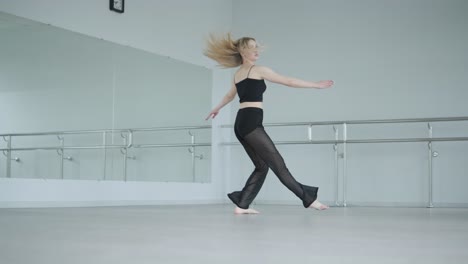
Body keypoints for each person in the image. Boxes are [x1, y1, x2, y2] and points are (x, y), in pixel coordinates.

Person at [204, 33, 334, 214]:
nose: (256, 50)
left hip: (241, 124)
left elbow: (229, 96)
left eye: (256, 46)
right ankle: (309, 199)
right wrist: (315, 85)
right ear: (243, 51)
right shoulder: (257, 70)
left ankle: (242, 205)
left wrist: (216, 108)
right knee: (279, 165)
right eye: (252, 47)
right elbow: (288, 81)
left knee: (261, 166)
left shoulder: (238, 74)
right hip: (251, 123)